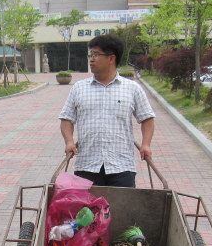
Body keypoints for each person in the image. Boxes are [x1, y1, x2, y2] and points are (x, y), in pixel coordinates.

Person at [59, 34, 155, 187]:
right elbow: (67, 119)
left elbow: (147, 118)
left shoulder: (132, 88)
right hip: (87, 165)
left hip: (122, 166)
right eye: (91, 55)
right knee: (88, 211)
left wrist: (146, 144)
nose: (91, 59)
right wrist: (69, 142)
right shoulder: (79, 88)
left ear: (111, 58)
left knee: (122, 210)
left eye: (96, 55)